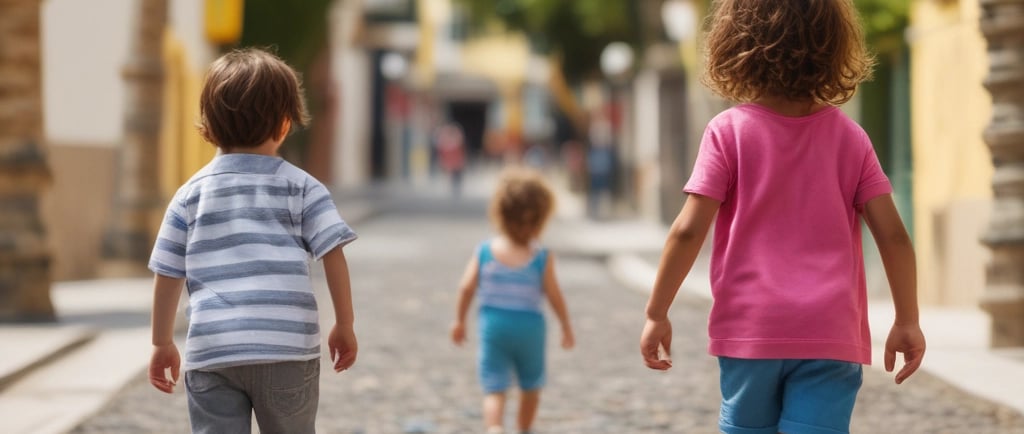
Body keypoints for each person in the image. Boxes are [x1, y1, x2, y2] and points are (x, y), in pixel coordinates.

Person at [639, 1, 926, 433]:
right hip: (830, 331)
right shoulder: (851, 138)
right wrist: (907, 320)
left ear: (735, 44)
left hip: (752, 329)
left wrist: (657, 312)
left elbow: (687, 231)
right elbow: (894, 237)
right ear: (834, 48)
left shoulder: (727, 132)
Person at [147, 48, 359, 434]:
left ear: (207, 126)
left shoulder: (189, 195)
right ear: (284, 123)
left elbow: (167, 272)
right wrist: (344, 322)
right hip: (287, 349)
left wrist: (162, 341)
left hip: (214, 351)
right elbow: (333, 253)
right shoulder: (302, 188)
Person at [450, 168, 574, 434]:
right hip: (530, 327)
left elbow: (465, 288)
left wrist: (459, 321)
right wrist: (565, 325)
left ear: (500, 214)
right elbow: (554, 295)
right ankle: (523, 429)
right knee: (531, 385)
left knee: (494, 386)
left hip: (494, 325)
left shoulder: (485, 251)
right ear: (542, 218)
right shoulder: (542, 257)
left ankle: (494, 428)